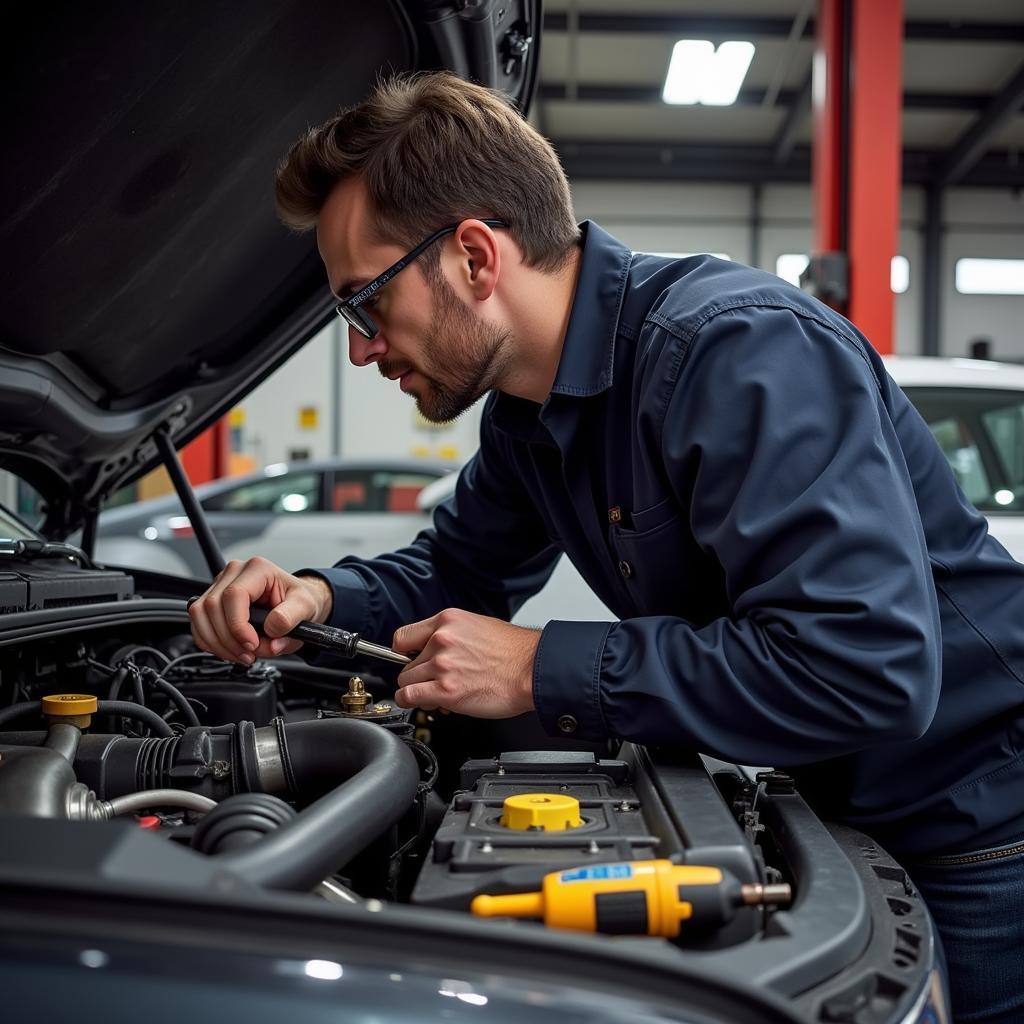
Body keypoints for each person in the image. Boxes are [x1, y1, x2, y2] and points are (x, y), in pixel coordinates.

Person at [189, 73, 1024, 1021]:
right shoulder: (527, 415)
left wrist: (546, 667)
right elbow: (458, 571)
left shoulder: (737, 351)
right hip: (834, 805)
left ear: (472, 255)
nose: (362, 350)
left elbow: (864, 666)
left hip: (975, 835)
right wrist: (316, 598)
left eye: (364, 303)